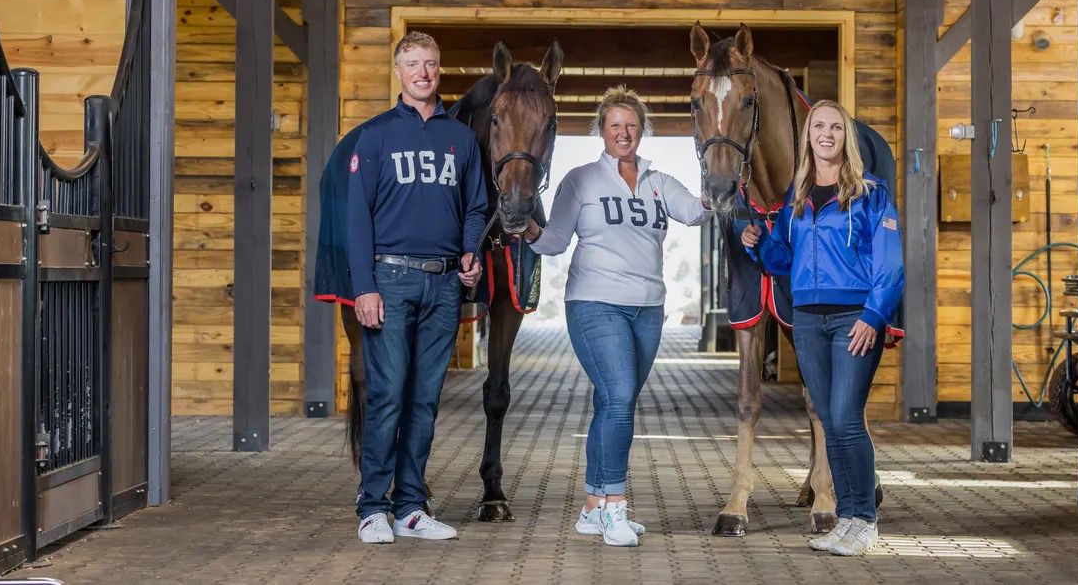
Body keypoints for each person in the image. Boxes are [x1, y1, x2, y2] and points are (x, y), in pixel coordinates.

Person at [521, 86, 710, 547]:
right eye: (614, 125)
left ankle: (591, 508)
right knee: (621, 396)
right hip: (593, 303)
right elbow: (554, 241)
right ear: (600, 131)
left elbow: (696, 213)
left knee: (611, 404)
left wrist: (720, 180)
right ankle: (615, 507)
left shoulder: (659, 181)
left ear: (642, 130)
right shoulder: (581, 180)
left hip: (648, 306)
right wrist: (524, 228)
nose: (624, 133)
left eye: (632, 125)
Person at [741, 99, 903, 557]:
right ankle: (847, 519)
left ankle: (865, 521)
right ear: (808, 135)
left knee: (848, 420)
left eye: (835, 126)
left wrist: (873, 317)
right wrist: (757, 244)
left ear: (846, 137)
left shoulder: (871, 194)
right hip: (809, 320)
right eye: (819, 126)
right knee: (830, 422)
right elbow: (782, 262)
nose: (826, 133)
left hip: (854, 319)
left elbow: (890, 266)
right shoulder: (797, 198)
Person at [347, 31, 487, 544]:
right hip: (390, 280)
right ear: (399, 73)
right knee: (387, 395)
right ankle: (372, 508)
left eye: (430, 63)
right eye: (412, 64)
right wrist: (364, 286)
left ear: (439, 70)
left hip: (445, 284)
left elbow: (475, 207)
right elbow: (356, 217)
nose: (422, 73)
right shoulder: (375, 136)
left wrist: (470, 254)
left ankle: (410, 507)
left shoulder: (461, 140)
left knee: (426, 399)